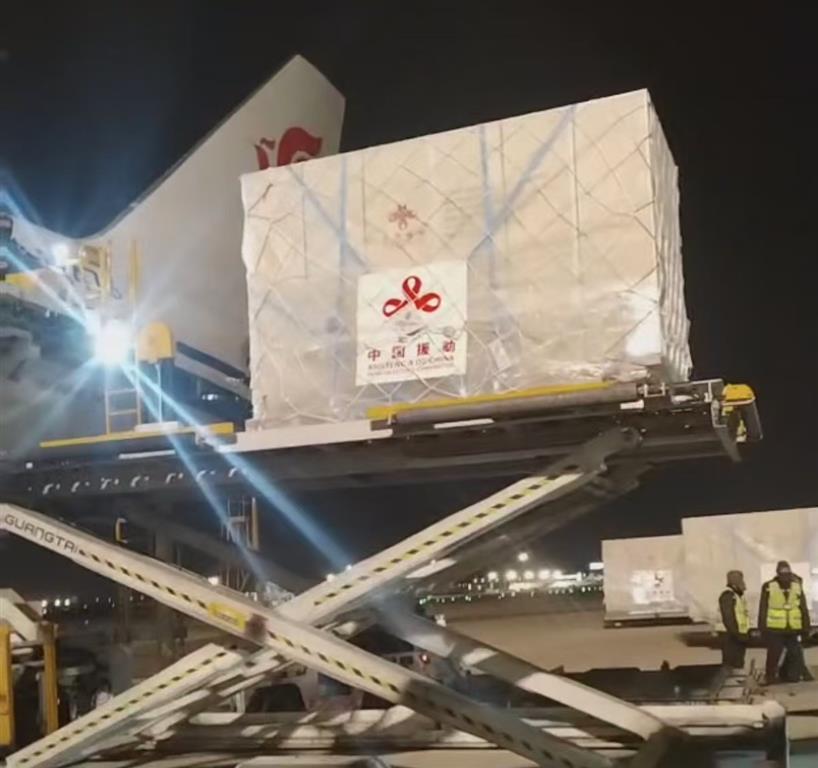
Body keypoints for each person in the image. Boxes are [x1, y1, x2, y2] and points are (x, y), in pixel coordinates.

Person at [758, 561, 814, 684]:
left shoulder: (796, 586)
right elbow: (763, 607)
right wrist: (762, 628)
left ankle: (793, 675)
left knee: (795, 652)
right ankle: (770, 676)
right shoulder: (768, 586)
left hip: (792, 627)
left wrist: (806, 626)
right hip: (775, 627)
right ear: (777, 573)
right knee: (774, 653)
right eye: (782, 572)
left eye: (787, 572)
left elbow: (803, 607)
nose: (785, 576)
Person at [718, 570, 750, 669]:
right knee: (731, 663)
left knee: (737, 662)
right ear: (735, 583)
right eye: (741, 581)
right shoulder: (728, 595)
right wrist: (736, 634)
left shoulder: (737, 596)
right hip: (730, 635)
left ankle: (735, 676)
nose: (744, 583)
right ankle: (731, 677)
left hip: (737, 633)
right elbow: (728, 617)